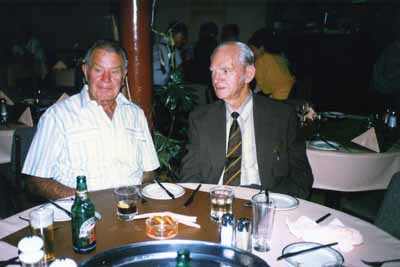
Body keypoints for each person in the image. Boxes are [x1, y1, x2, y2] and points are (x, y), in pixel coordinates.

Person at [22, 40, 160, 199]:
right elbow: (36, 180)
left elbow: (149, 171)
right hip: (81, 214)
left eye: (114, 71)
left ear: (124, 74)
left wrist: (137, 196)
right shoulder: (58, 116)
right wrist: (83, 200)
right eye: (99, 70)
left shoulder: (136, 114)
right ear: (85, 71)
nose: (106, 79)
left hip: (128, 211)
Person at [180, 42, 313, 199]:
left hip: (266, 200)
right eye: (213, 72)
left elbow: (301, 176)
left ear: (249, 74)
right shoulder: (201, 119)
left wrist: (270, 202)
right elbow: (190, 175)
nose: (216, 79)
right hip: (216, 201)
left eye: (225, 70)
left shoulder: (281, 116)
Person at [248, 28, 295, 100]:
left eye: (253, 50)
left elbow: (259, 85)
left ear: (261, 48)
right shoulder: (278, 56)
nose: (252, 53)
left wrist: (250, 96)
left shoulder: (260, 60)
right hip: (292, 90)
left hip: (281, 95)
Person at [152, 21, 188, 86]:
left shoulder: (154, 46)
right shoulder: (174, 52)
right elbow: (178, 77)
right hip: (163, 90)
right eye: (182, 38)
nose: (183, 40)